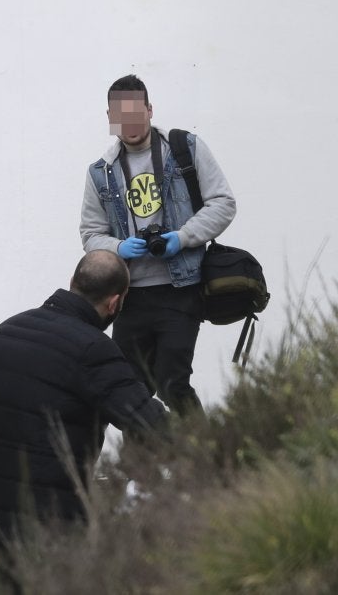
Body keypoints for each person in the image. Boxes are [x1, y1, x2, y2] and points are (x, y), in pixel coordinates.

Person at [0, 250, 166, 588]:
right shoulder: (93, 348)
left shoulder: (5, 331)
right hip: (52, 523)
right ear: (115, 302)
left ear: (73, 283)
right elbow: (149, 422)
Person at [79, 74, 236, 415]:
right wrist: (119, 248)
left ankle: (203, 462)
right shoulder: (100, 172)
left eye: (136, 112)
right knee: (130, 388)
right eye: (121, 115)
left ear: (150, 110)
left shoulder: (185, 149)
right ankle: (143, 468)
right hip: (128, 295)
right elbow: (91, 235)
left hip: (181, 288)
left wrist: (181, 238)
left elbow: (223, 203)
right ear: (110, 118)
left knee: (172, 381)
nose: (130, 122)